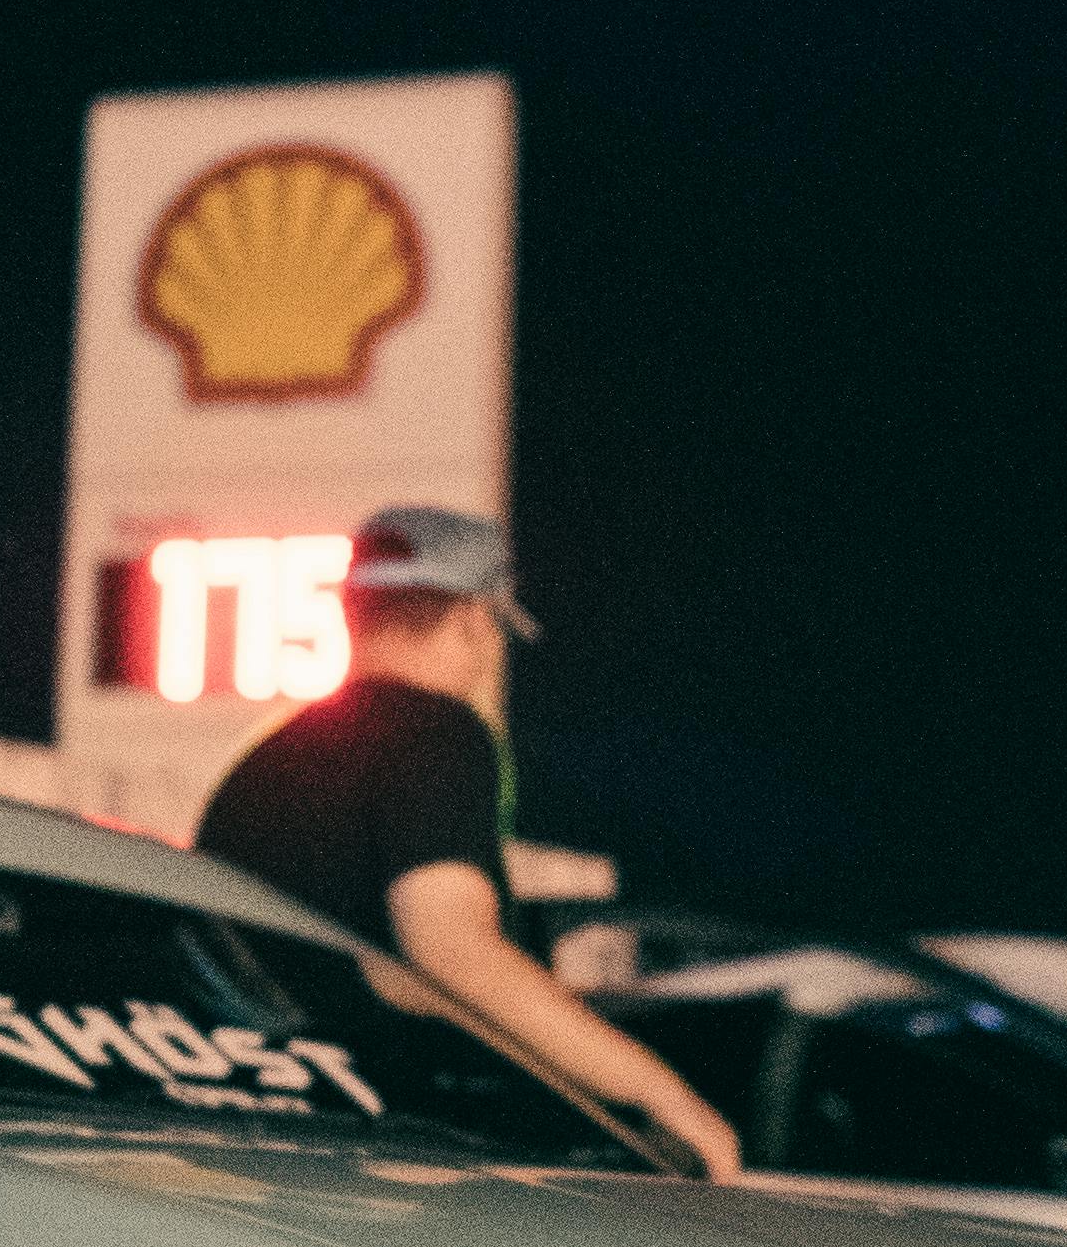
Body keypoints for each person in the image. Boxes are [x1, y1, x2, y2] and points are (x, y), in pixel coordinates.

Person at [193, 505, 743, 1180]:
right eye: (490, 631)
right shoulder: (437, 731)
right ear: (471, 621)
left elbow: (366, 971)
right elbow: (451, 951)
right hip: (390, 1155)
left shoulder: (261, 765)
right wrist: (664, 1095)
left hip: (259, 1136)